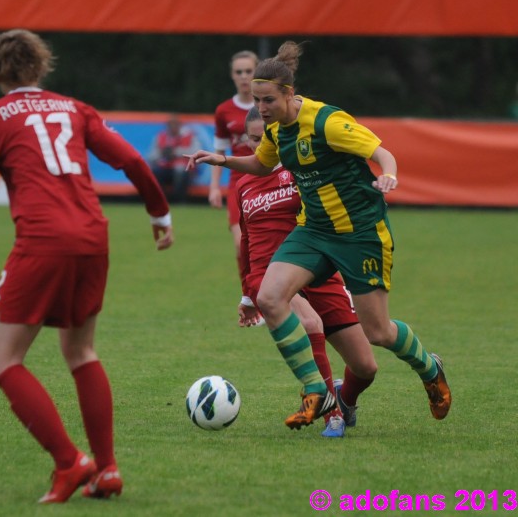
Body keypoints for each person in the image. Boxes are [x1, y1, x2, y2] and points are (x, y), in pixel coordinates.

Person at [0, 29, 173, 504]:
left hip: (43, 241)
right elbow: (131, 159)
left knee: (2, 360)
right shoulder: (74, 108)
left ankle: (71, 463)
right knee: (81, 352)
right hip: (93, 236)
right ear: (41, 66)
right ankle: (108, 469)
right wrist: (160, 213)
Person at [187, 40, 451, 430]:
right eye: (256, 102)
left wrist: (389, 174)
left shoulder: (327, 121)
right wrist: (223, 159)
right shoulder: (277, 129)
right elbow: (262, 164)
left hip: (359, 233)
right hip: (314, 230)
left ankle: (430, 368)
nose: (261, 109)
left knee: (378, 332)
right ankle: (317, 390)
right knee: (270, 296)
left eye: (267, 101)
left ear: (289, 94)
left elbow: (380, 152)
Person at [236, 106, 377, 438]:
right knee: (310, 322)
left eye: (265, 137)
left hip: (315, 270)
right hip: (270, 277)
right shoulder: (242, 185)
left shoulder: (303, 171)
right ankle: (332, 416)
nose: (259, 146)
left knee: (366, 366)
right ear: (246, 139)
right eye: (253, 139)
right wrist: (247, 294)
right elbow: (245, 242)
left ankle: (345, 400)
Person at [210, 51, 259, 276]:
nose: (244, 76)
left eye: (249, 71)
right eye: (239, 72)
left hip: (268, 178)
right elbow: (219, 150)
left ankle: (276, 301)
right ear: (232, 75)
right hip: (239, 182)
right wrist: (214, 187)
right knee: (242, 247)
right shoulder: (224, 111)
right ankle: (249, 302)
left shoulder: (268, 106)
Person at [147, 113, 199, 203]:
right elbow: (151, 156)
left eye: (175, 124)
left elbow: (196, 153)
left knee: (180, 170)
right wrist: (161, 153)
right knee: (154, 172)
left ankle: (178, 200)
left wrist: (176, 152)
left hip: (183, 169)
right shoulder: (160, 137)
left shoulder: (189, 136)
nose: (172, 127)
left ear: (180, 125)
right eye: (170, 125)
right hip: (165, 167)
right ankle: (161, 199)